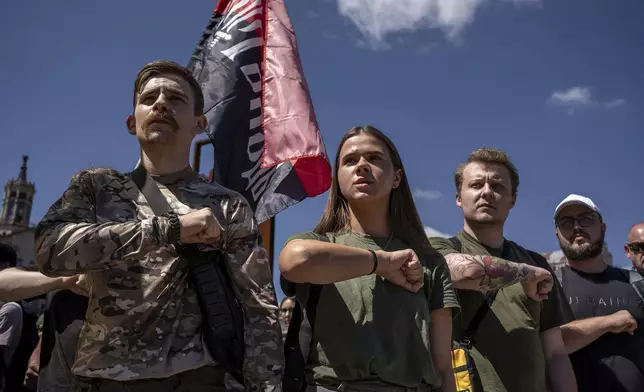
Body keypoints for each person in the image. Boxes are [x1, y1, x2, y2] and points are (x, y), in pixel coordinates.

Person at [35, 60, 283, 391]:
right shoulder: (94, 187)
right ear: (130, 122)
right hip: (103, 379)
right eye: (149, 98)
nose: (161, 103)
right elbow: (49, 250)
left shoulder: (227, 205)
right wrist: (167, 229)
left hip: (197, 379)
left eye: (176, 99)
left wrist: (265, 386)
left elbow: (259, 307)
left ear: (199, 123)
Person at [279, 125, 459, 392]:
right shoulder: (320, 244)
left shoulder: (429, 262)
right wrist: (381, 264)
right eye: (350, 161)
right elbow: (295, 261)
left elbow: (443, 366)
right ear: (338, 178)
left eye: (374, 158)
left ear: (397, 177)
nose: (361, 166)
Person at [429, 148, 577, 392]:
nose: (487, 192)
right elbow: (465, 272)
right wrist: (526, 274)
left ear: (513, 200)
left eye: (497, 187)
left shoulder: (537, 263)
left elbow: (555, 353)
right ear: (459, 197)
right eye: (476, 185)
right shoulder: (438, 247)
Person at [555, 195, 644, 392]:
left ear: (603, 228)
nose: (577, 227)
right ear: (557, 234)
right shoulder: (549, 285)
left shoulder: (637, 284)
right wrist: (609, 323)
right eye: (567, 222)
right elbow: (545, 347)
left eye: (586, 218)